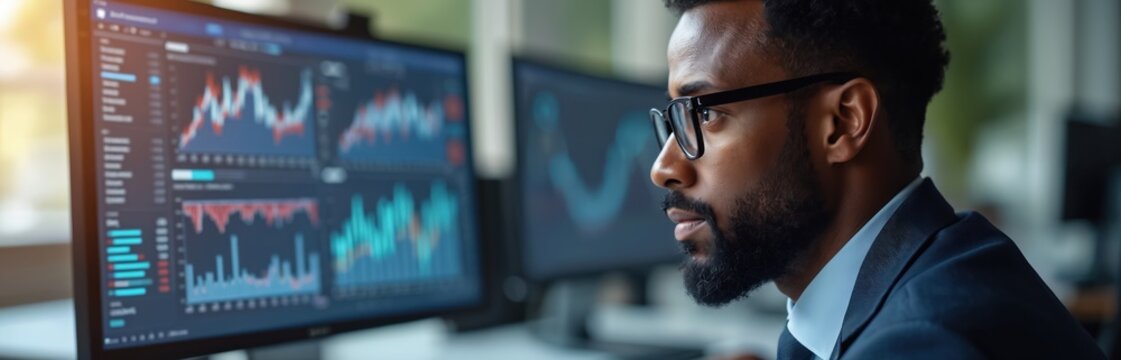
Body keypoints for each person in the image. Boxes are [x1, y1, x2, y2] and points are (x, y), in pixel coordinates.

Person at [648, 0, 1104, 358]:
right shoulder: (948, 264)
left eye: (704, 113)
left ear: (844, 122)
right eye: (673, 119)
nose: (663, 167)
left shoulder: (924, 343)